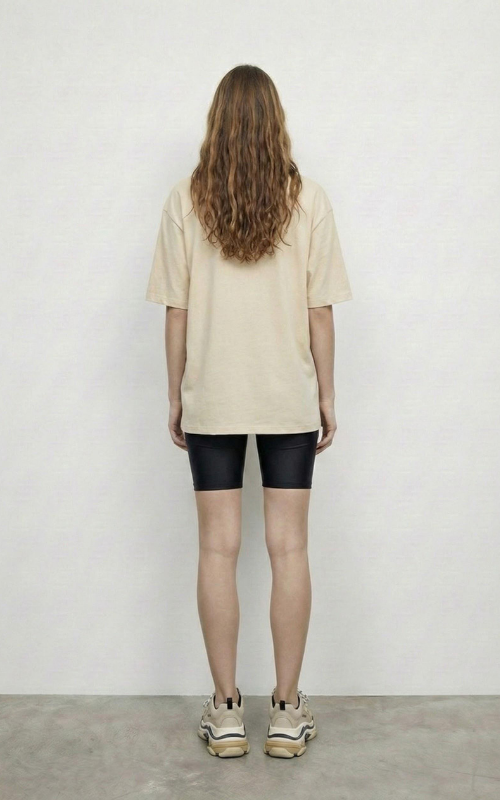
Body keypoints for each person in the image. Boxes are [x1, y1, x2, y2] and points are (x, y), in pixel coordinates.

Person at [145, 64, 353, 759]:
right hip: (287, 396)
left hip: (213, 397)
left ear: (217, 124)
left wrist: (175, 394)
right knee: (290, 548)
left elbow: (176, 311)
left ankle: (228, 712)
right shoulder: (308, 200)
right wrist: (326, 396)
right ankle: (287, 714)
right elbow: (319, 311)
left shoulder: (186, 200)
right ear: (275, 123)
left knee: (217, 548)